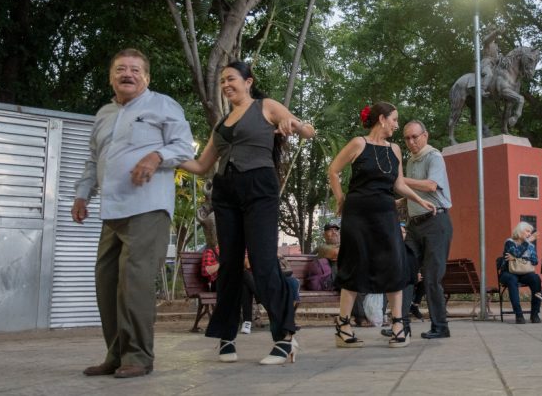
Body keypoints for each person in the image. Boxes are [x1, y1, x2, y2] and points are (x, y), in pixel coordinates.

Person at [179, 60, 315, 365]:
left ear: (248, 81)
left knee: (263, 263)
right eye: (223, 81)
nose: (226, 85)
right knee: (229, 265)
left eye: (231, 79)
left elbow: (307, 130)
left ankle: (285, 337)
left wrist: (293, 126)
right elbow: (201, 166)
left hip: (259, 188)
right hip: (225, 192)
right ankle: (227, 337)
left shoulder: (266, 106)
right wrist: (170, 156)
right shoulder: (221, 125)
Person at [72, 48, 194, 378]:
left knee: (135, 283)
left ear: (147, 78)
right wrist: (82, 195)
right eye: (121, 69)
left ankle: (138, 357)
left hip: (148, 207)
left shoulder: (162, 105)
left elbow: (183, 147)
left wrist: (155, 157)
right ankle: (116, 354)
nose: (128, 74)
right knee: (107, 284)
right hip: (112, 211)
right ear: (111, 77)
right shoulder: (104, 113)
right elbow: (94, 160)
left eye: (136, 70)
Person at [328, 102, 436, 349]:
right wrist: (340, 198)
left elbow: (398, 184)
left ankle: (398, 324)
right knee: (356, 265)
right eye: (395, 120)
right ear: (382, 119)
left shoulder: (395, 150)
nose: (397, 125)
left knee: (393, 264)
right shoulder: (358, 143)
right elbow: (333, 170)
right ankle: (343, 326)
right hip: (357, 214)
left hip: (385, 214)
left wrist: (420, 199)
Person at [401, 120, 454, 339]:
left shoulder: (434, 157)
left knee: (431, 277)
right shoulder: (410, 161)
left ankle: (440, 327)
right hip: (414, 225)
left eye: (415, 136)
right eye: (407, 138)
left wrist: (398, 180)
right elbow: (410, 194)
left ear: (425, 136)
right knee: (403, 270)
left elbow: (431, 186)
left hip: (436, 222)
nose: (411, 142)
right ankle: (400, 324)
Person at [497, 222, 541, 324]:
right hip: (508, 272)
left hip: (525, 272)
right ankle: (519, 314)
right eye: (527, 231)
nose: (529, 234)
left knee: (536, 279)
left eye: (530, 232)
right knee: (512, 279)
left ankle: (534, 314)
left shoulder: (530, 245)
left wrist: (517, 258)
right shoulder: (509, 242)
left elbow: (535, 261)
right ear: (519, 231)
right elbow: (515, 253)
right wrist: (527, 244)